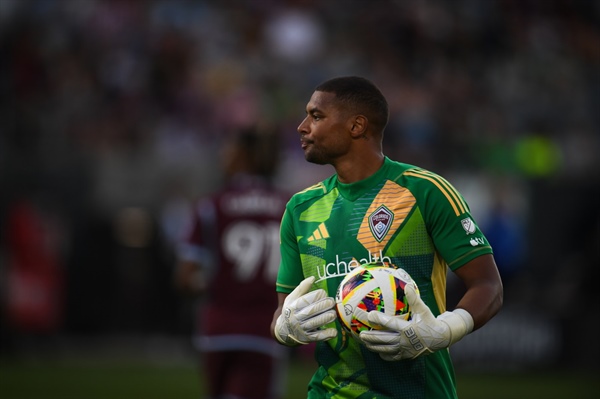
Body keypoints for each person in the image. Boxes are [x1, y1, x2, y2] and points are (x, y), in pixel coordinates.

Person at [270, 76, 503, 398]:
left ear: (357, 126)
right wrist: (285, 329)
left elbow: (488, 285)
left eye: (316, 115)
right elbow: (283, 311)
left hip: (419, 390)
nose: (302, 126)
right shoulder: (301, 208)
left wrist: (445, 330)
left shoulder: (424, 191)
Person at [176, 128, 290, 399]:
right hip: (267, 329)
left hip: (217, 327)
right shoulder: (290, 205)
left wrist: (218, 282)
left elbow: (185, 277)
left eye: (227, 149)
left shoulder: (210, 206)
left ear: (243, 156)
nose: (221, 155)